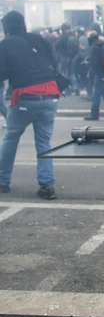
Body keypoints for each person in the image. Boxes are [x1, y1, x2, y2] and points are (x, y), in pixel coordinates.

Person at [0, 11, 60, 200]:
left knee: (10, 138)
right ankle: (47, 185)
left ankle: (2, 181)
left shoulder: (6, 44)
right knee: (44, 143)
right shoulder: (38, 39)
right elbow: (54, 63)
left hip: (26, 96)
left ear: (6, 26)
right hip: (51, 95)